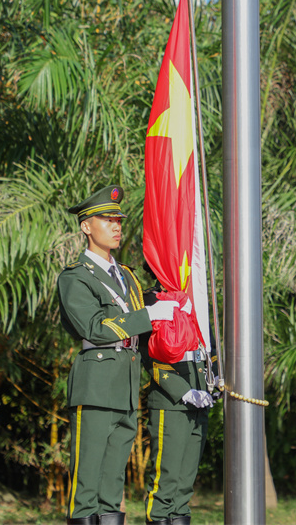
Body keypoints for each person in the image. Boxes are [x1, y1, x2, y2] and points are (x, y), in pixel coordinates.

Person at [58, 184, 181, 525]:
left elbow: (142, 327)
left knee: (112, 486)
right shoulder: (76, 277)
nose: (116, 226)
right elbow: (94, 328)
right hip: (95, 385)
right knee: (86, 485)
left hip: (125, 386)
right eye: (106, 220)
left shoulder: (126, 275)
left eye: (118, 220)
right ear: (86, 227)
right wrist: (147, 316)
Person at [140, 271, 216, 525]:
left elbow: (209, 348)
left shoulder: (195, 300)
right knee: (167, 480)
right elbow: (149, 356)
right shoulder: (152, 300)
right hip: (171, 402)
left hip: (200, 396)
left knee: (185, 485)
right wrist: (183, 391)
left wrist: (212, 380)